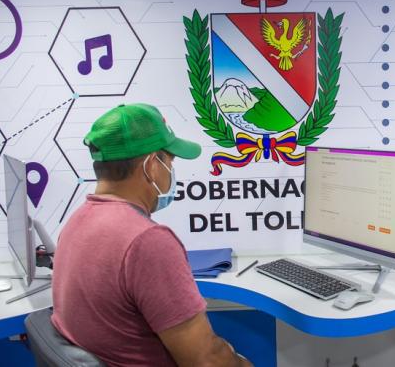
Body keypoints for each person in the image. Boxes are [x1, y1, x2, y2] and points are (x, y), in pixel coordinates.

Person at [51, 103, 251, 367]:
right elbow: (206, 361)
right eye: (170, 161)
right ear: (152, 165)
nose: (172, 172)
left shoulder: (76, 223)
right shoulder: (147, 241)